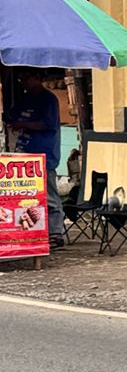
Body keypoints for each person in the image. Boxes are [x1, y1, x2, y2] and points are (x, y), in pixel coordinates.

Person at [3, 69, 64, 248]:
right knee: (26, 196)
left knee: (49, 194)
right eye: (21, 79)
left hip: (44, 153)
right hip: (24, 154)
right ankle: (30, 232)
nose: (23, 83)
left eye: (26, 79)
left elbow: (48, 124)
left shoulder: (48, 99)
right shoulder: (24, 98)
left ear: (37, 78)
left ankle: (55, 233)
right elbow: (11, 115)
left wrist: (23, 124)